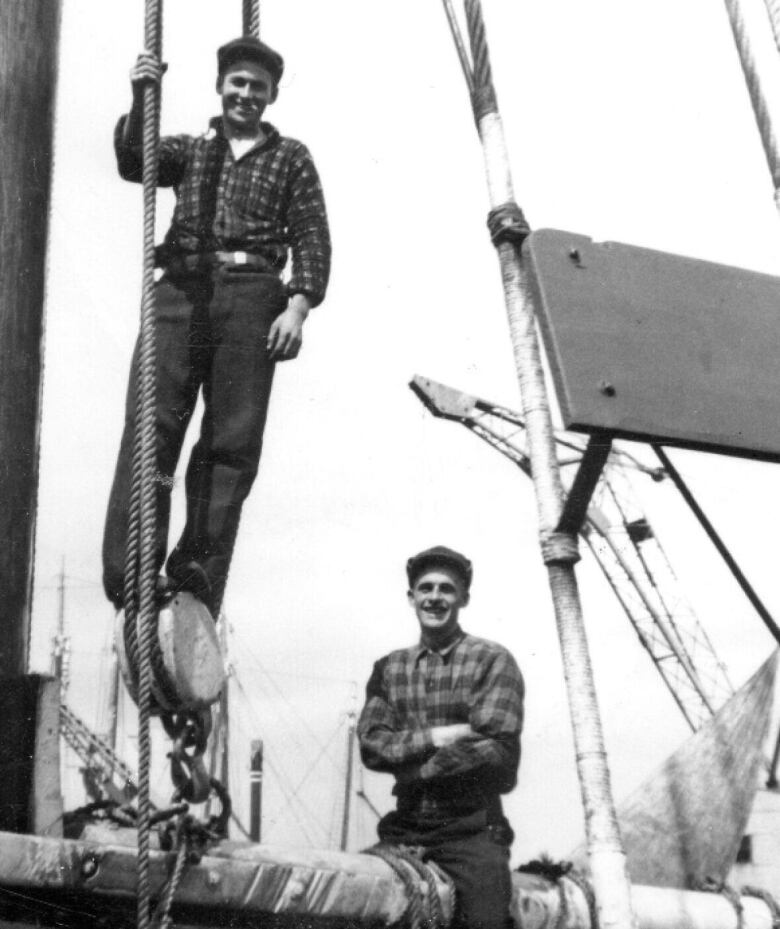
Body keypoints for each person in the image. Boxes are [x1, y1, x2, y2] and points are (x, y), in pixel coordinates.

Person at [102, 36, 331, 617]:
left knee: (232, 442)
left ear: (272, 94)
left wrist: (297, 307)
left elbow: (311, 234)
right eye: (238, 83)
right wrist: (141, 88)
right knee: (153, 425)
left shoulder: (292, 157)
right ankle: (132, 567)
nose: (246, 95)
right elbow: (136, 160)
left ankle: (196, 574)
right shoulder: (193, 149)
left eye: (258, 86)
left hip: (254, 296)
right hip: (182, 290)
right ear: (220, 86)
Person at [358, 546, 524, 929]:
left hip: (469, 830)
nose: (435, 597)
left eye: (446, 589)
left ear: (463, 597)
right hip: (404, 828)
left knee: (486, 921)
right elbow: (372, 747)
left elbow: (497, 751)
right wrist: (439, 736)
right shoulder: (389, 668)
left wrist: (413, 767)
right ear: (411, 597)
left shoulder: (492, 660)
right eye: (425, 588)